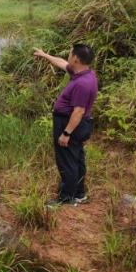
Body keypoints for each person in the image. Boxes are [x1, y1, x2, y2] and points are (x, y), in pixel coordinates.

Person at [33, 44, 98, 208]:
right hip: (77, 124)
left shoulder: (82, 84)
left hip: (71, 124)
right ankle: (79, 194)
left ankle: (66, 198)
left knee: (67, 161)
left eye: (70, 54)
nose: (68, 56)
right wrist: (44, 55)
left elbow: (79, 111)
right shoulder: (83, 72)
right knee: (76, 159)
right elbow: (62, 63)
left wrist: (66, 133)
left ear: (76, 58)